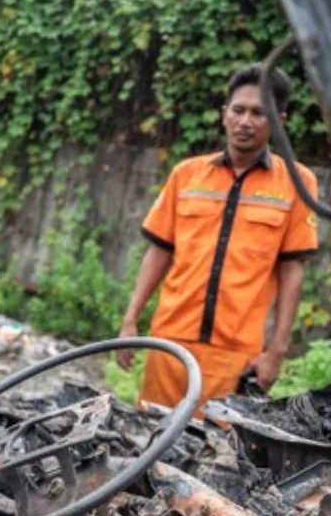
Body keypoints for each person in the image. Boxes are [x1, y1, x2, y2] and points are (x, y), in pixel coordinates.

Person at [117, 63, 319, 414]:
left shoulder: (297, 184)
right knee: (149, 440)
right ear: (224, 114)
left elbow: (292, 273)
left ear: (279, 121)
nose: (245, 121)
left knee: (217, 456)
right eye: (238, 110)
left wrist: (276, 351)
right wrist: (130, 320)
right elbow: (159, 253)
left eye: (258, 113)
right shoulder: (187, 175)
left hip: (235, 355)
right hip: (170, 343)